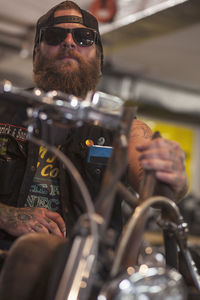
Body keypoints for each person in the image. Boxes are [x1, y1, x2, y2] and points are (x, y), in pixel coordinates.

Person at [0, 0, 188, 250]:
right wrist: (7, 215)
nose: (69, 42)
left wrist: (172, 175)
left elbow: (154, 188)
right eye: (55, 36)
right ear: (36, 54)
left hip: (87, 274)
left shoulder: (122, 126)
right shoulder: (4, 110)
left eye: (84, 38)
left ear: (99, 59)